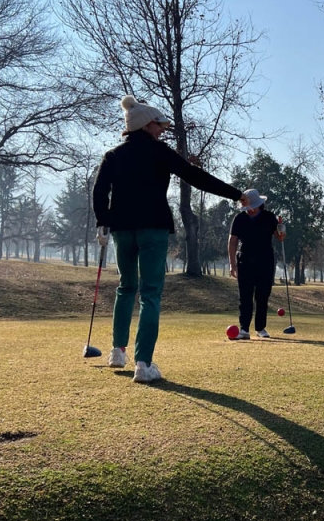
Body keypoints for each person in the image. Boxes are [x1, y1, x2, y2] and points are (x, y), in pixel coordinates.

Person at [93, 94, 243, 382]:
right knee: (150, 293)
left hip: (122, 230)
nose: (162, 130)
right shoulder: (160, 152)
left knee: (126, 287)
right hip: (153, 228)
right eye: (159, 125)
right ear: (146, 125)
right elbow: (195, 177)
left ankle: (118, 351)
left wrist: (103, 221)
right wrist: (235, 194)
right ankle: (143, 364)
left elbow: (100, 192)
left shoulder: (113, 155)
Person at [227, 189, 285, 339]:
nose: (248, 209)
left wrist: (281, 228)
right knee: (245, 296)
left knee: (262, 295)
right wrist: (232, 264)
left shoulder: (269, 217)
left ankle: (260, 328)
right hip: (244, 260)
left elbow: (280, 238)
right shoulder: (239, 218)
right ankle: (244, 329)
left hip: (265, 260)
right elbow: (232, 242)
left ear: (258, 204)